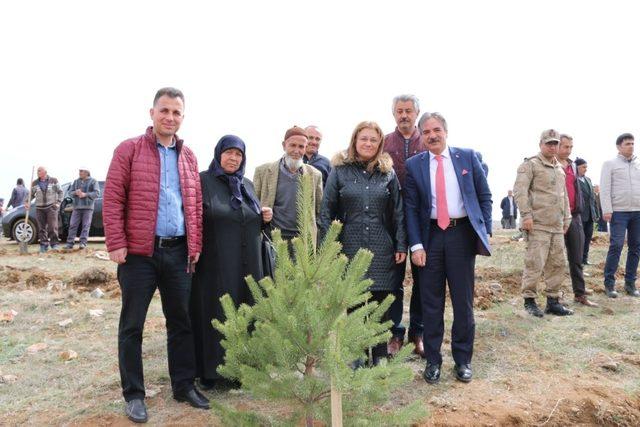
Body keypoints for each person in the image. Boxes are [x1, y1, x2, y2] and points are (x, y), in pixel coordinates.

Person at [103, 87, 208, 423]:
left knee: (181, 321)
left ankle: (183, 385)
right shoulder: (129, 150)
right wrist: (116, 243)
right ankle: (134, 394)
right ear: (152, 113)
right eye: (164, 110)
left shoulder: (188, 156)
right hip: (138, 255)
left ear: (182, 117)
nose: (170, 117)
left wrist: (195, 248)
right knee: (132, 325)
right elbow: (113, 198)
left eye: (176, 112)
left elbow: (193, 207)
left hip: (178, 253)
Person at [404, 112, 492, 384]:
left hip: (461, 235)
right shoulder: (413, 165)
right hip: (430, 237)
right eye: (427, 131)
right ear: (421, 135)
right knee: (431, 303)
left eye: (437, 129)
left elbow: (484, 195)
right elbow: (411, 207)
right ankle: (433, 361)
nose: (432, 135)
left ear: (446, 131)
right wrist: (416, 244)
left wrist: (484, 228)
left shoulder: (467, 157)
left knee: (463, 302)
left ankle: (463, 360)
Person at [320, 121, 406, 365]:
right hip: (349, 248)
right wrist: (330, 248)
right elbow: (326, 212)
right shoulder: (339, 171)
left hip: (382, 249)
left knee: (380, 307)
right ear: (354, 141)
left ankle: (379, 356)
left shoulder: (387, 173)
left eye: (373, 140)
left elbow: (398, 212)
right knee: (354, 305)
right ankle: (355, 357)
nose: (368, 143)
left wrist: (401, 245)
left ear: (380, 144)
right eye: (363, 139)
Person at [191, 135, 272, 389]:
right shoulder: (202, 181)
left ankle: (244, 369)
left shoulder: (246, 184)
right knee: (216, 313)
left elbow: (251, 219)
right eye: (229, 152)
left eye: (238, 154)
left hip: (249, 265)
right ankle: (213, 372)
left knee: (246, 311)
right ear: (218, 154)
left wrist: (265, 217)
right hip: (215, 265)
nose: (233, 158)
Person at [513, 129, 574, 317]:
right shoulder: (530, 165)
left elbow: (563, 195)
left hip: (556, 226)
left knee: (557, 264)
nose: (552, 146)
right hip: (537, 224)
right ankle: (529, 301)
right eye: (549, 143)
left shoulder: (559, 168)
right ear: (541, 144)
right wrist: (526, 216)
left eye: (555, 143)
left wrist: (567, 217)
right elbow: (520, 191)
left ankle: (553, 301)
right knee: (535, 264)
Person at [383, 94, 425, 357]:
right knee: (393, 279)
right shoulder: (385, 142)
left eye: (409, 110)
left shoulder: (428, 140)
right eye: (399, 111)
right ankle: (394, 334)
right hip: (392, 219)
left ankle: (418, 333)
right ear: (393, 114)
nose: (404, 115)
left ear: (417, 112)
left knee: (423, 279)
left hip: (423, 219)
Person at [253, 126, 323, 246]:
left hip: (303, 242)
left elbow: (318, 211)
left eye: (301, 147)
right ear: (284, 145)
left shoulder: (315, 175)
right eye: (292, 145)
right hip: (272, 238)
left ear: (306, 148)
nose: (296, 150)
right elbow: (253, 206)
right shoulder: (263, 171)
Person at [556, 135, 597, 307]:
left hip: (575, 216)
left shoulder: (573, 165)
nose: (568, 150)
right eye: (565, 147)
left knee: (577, 257)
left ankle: (579, 294)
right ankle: (554, 297)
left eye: (570, 147)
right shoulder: (548, 164)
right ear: (556, 146)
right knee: (555, 260)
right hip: (555, 217)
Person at [600, 132, 640, 298]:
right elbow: (604, 188)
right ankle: (609, 283)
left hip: (637, 211)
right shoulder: (610, 164)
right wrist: (607, 209)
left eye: (632, 143)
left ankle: (630, 284)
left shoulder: (638, 164)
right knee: (616, 245)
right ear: (619, 146)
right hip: (618, 211)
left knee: (636, 247)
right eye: (627, 143)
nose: (631, 146)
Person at [65, 168, 100, 249]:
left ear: (87, 172)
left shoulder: (93, 181)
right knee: (72, 225)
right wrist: (75, 192)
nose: (79, 173)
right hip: (76, 207)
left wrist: (85, 194)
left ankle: (83, 243)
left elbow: (97, 193)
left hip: (88, 207)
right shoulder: (76, 181)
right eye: (79, 171)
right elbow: (70, 193)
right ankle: (69, 243)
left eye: (81, 171)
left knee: (86, 225)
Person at [30, 166, 63, 252]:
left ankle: (54, 244)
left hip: (51, 207)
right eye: (37, 171)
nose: (38, 172)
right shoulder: (35, 183)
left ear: (45, 172)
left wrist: (58, 203)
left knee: (52, 227)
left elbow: (60, 192)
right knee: (41, 228)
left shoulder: (53, 180)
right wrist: (27, 201)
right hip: (39, 208)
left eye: (39, 171)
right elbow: (31, 195)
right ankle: (44, 245)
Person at [576, 158, 599, 265]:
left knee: (588, 237)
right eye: (583, 167)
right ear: (577, 168)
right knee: (579, 239)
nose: (585, 169)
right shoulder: (574, 180)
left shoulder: (588, 180)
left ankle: (585, 259)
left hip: (590, 215)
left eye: (586, 167)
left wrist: (596, 213)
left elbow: (592, 198)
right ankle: (578, 259)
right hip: (580, 214)